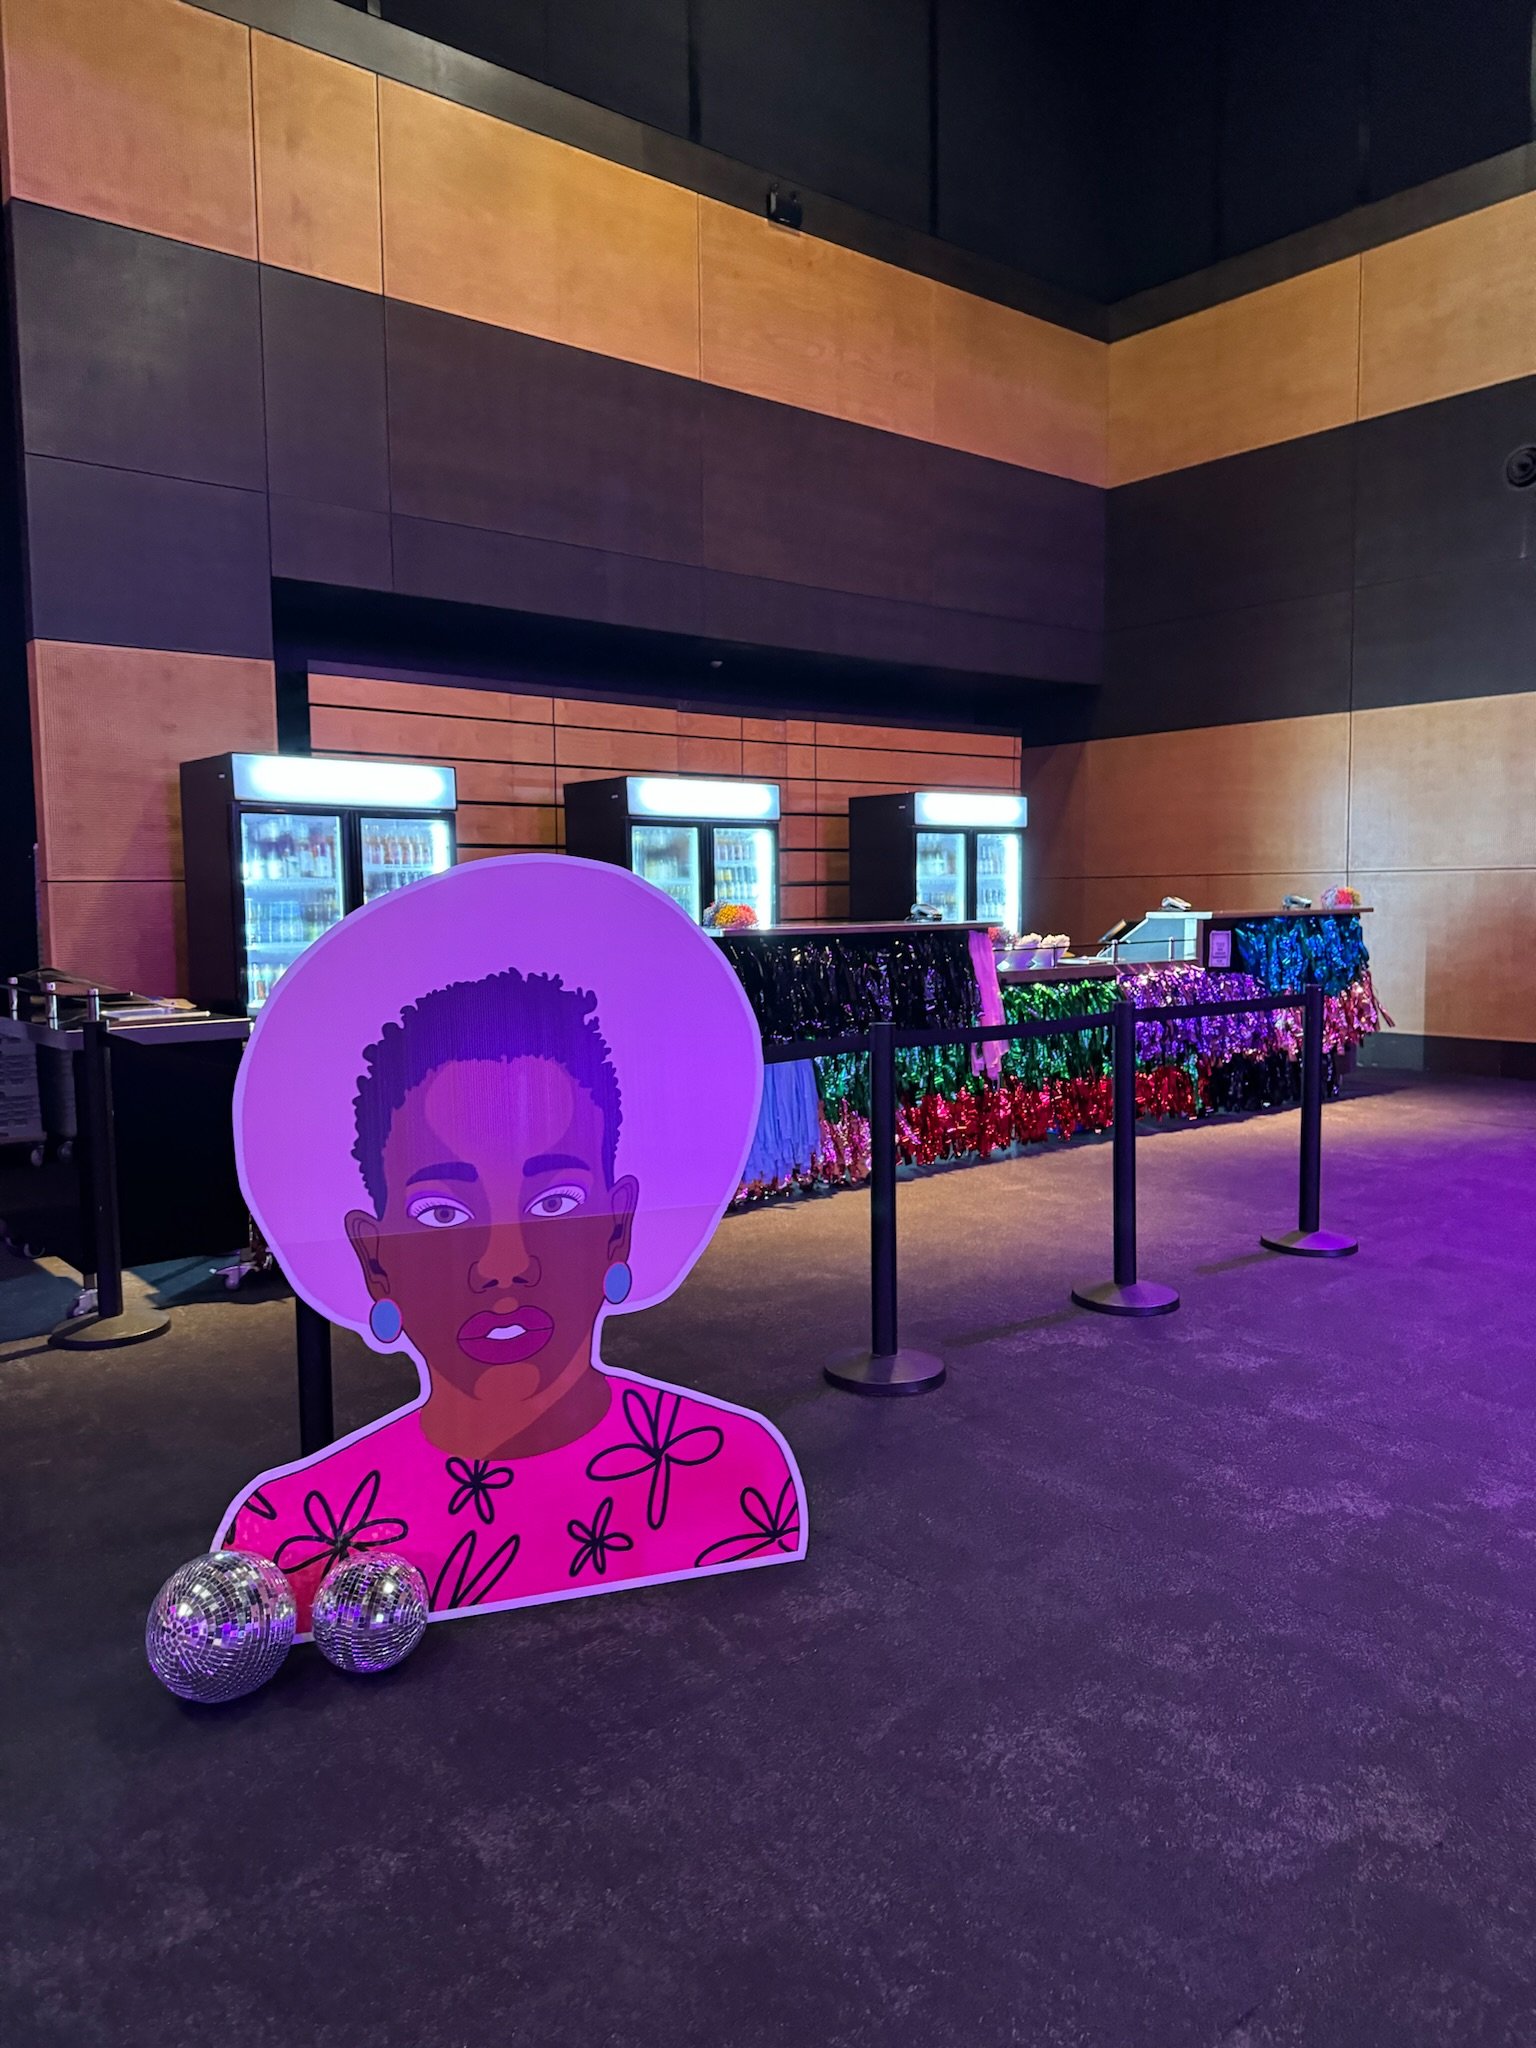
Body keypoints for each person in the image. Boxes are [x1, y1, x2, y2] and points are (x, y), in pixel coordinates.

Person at [217, 856, 805, 1635]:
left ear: (618, 1225)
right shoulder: (289, 1539)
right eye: (438, 1213)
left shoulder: (735, 1475)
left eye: (554, 1201)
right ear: (372, 1255)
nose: (505, 1263)